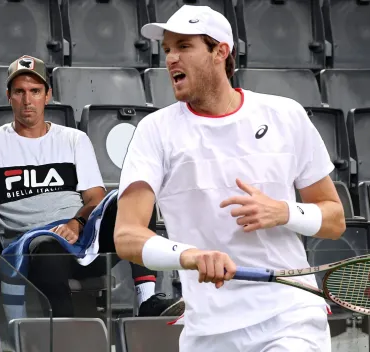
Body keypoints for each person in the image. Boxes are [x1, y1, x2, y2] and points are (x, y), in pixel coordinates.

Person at [114, 5, 346, 352]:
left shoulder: (286, 115)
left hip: (290, 315)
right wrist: (189, 255)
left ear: (220, 51)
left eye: (184, 47)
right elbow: (127, 235)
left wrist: (285, 212)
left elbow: (335, 218)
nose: (171, 59)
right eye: (167, 50)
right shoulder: (154, 132)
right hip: (207, 329)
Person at [0, 55, 183, 319]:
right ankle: (64, 331)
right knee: (48, 248)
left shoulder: (73, 139)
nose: (27, 100)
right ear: (8, 96)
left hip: (83, 237)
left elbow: (95, 197)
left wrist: (77, 222)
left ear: (47, 95)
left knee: (132, 198)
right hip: (33, 246)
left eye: (35, 91)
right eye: (20, 92)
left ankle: (147, 301)